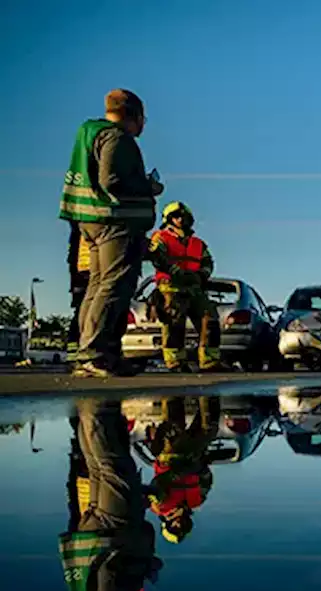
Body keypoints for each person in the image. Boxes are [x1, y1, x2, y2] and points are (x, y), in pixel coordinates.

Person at [58, 89, 164, 378]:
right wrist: (148, 188)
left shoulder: (89, 133)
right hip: (114, 222)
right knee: (114, 285)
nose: (143, 126)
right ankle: (97, 354)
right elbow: (111, 180)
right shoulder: (117, 138)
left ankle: (91, 353)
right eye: (143, 119)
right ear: (134, 115)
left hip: (89, 220)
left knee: (97, 285)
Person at [60, 398, 162, 591]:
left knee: (114, 469)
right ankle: (89, 412)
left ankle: (98, 410)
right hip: (94, 533)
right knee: (98, 469)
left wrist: (142, 564)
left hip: (114, 530)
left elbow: (108, 574)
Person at [147, 202, 225, 372]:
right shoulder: (160, 237)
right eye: (176, 216)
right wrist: (175, 271)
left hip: (194, 287)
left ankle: (209, 361)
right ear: (169, 219)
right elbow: (156, 257)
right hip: (171, 286)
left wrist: (201, 275)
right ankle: (176, 362)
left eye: (183, 216)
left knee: (209, 319)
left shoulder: (198, 243)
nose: (180, 219)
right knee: (174, 323)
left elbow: (208, 262)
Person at [145, 397, 220, 544]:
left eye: (173, 527)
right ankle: (209, 392)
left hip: (169, 456)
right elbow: (206, 481)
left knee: (175, 425)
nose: (178, 524)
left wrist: (180, 472)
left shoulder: (159, 505)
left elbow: (158, 483)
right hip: (192, 456)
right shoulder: (196, 501)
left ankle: (172, 387)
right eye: (182, 527)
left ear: (166, 524)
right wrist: (201, 468)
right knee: (209, 429)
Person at [67, 222, 90, 356]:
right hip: (84, 273)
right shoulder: (81, 232)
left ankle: (75, 348)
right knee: (82, 311)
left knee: (81, 310)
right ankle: (75, 347)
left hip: (81, 274)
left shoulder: (77, 232)